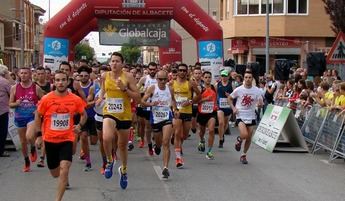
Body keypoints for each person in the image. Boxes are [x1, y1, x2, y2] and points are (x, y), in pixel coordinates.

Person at [35, 70, 87, 201]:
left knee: (64, 169)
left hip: (67, 139)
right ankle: (60, 174)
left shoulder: (75, 99)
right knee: (55, 173)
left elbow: (84, 114)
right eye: (58, 80)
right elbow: (37, 115)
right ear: (54, 82)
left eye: (63, 80)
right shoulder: (47, 99)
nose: (61, 82)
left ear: (68, 82)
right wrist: (39, 135)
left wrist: (79, 126)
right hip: (50, 140)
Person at [96, 52, 140, 189]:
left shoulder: (128, 77)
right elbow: (103, 90)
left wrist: (125, 89)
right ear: (109, 63)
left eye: (117, 61)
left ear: (122, 63)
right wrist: (100, 97)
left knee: (122, 146)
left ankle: (124, 170)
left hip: (125, 115)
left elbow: (137, 97)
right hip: (109, 112)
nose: (114, 63)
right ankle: (110, 160)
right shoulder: (105, 76)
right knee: (106, 137)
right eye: (112, 61)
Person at [9, 67, 44, 172]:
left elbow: (44, 101)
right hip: (20, 117)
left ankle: (33, 147)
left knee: (29, 136)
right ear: (19, 75)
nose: (23, 75)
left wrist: (37, 109)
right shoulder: (14, 88)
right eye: (21, 73)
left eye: (26, 73)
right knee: (23, 142)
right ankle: (26, 161)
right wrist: (16, 103)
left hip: (31, 116)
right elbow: (10, 104)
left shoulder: (35, 88)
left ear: (30, 75)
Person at [142, 70, 175, 179]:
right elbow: (142, 101)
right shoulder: (152, 88)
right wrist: (151, 103)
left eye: (165, 79)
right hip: (155, 119)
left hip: (167, 117)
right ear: (157, 79)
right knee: (159, 142)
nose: (163, 81)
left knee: (166, 142)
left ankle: (165, 168)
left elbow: (173, 101)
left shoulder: (170, 89)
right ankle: (157, 145)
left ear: (167, 79)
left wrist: (175, 109)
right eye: (160, 79)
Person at [229, 70, 263, 164]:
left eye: (249, 77)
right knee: (244, 134)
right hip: (240, 114)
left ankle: (243, 155)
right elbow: (230, 98)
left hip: (251, 115)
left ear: (252, 79)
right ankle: (239, 139)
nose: (248, 79)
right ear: (244, 78)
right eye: (246, 77)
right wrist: (233, 108)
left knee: (249, 138)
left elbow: (260, 102)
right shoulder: (239, 89)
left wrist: (260, 104)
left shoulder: (257, 90)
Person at [171, 63, 200, 168]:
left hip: (187, 111)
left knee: (184, 135)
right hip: (177, 112)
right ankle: (178, 158)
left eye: (184, 70)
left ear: (186, 72)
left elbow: (199, 96)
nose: (182, 72)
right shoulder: (171, 83)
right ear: (177, 72)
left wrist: (191, 101)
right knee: (178, 133)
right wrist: (174, 108)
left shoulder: (191, 84)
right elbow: (170, 98)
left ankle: (178, 145)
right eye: (180, 70)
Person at [136, 62, 158, 155]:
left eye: (154, 69)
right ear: (148, 70)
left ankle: (152, 143)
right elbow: (136, 90)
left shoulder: (159, 79)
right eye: (150, 69)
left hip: (155, 105)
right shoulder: (144, 79)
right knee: (142, 125)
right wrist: (143, 91)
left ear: (156, 69)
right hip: (144, 104)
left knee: (151, 125)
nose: (152, 71)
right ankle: (143, 140)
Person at [197, 71, 217, 160]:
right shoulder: (200, 88)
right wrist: (205, 99)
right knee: (202, 132)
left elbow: (216, 98)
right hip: (202, 113)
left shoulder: (214, 87)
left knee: (211, 130)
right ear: (202, 78)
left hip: (212, 112)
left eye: (209, 77)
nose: (208, 79)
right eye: (206, 77)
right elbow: (196, 101)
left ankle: (209, 151)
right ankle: (202, 140)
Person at [215, 69, 233, 148]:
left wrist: (229, 95)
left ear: (228, 77)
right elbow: (215, 94)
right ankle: (220, 139)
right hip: (220, 106)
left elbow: (234, 95)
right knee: (221, 123)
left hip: (228, 106)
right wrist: (215, 103)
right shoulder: (217, 84)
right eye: (222, 75)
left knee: (225, 124)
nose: (224, 77)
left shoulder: (232, 85)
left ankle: (222, 134)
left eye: (225, 76)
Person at [0, 64, 11, 157]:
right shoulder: (5, 82)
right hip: (2, 109)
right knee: (2, 131)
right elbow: (12, 93)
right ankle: (1, 150)